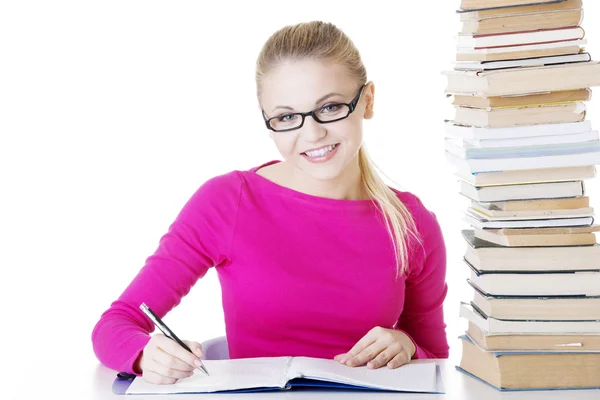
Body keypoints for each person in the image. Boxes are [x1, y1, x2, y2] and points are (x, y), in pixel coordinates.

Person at [91, 20, 449, 385]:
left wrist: (407, 345)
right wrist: (144, 354)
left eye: (330, 108)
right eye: (287, 117)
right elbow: (115, 325)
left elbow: (437, 361)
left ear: (368, 100)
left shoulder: (413, 225)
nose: (312, 134)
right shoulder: (228, 202)